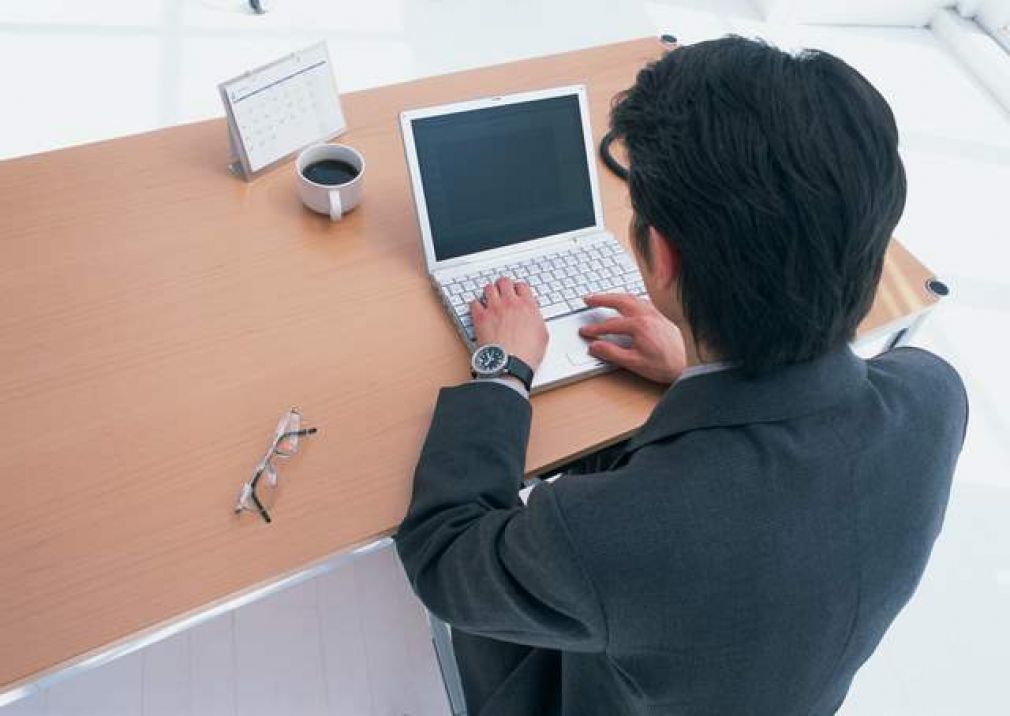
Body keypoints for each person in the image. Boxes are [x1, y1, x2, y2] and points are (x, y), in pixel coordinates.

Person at [394, 36, 968, 715]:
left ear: (660, 258)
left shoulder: (613, 535)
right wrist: (695, 366)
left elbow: (443, 556)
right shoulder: (936, 397)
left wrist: (503, 370)